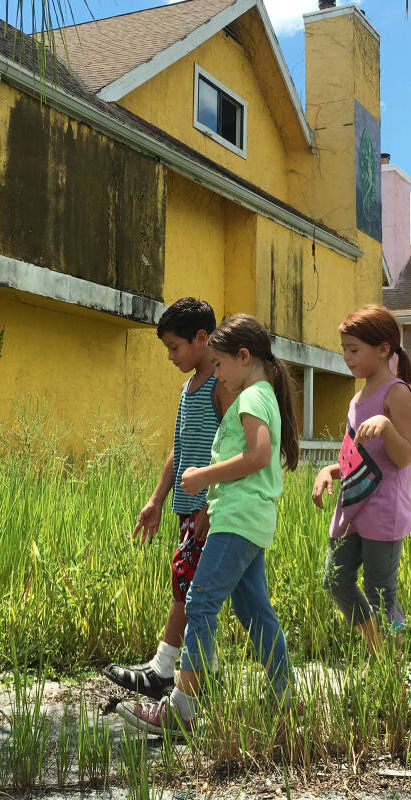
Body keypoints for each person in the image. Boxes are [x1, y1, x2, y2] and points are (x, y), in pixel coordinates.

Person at [118, 313, 300, 737]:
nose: (216, 373)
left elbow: (256, 456)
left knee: (200, 603)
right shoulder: (259, 395)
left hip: (237, 517)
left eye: (219, 365)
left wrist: (202, 477)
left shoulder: (253, 397)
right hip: (247, 518)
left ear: (243, 356)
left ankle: (181, 709)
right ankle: (286, 697)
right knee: (254, 608)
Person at [102, 298, 231, 700]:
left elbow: (231, 449)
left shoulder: (220, 387)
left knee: (188, 587)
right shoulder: (188, 387)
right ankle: (203, 672)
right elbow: (179, 449)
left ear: (201, 338)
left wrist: (213, 505)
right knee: (194, 587)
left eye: (175, 348)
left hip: (209, 510)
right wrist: (157, 499)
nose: (171, 357)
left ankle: (163, 669)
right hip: (186, 508)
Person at [311, 304, 411, 653]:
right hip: (353, 506)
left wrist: (387, 426)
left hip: (384, 511)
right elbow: (353, 456)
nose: (346, 357)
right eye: (344, 349)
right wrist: (328, 471)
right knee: (334, 579)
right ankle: (378, 648)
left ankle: (394, 668)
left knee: (380, 590)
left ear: (383, 349)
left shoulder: (397, 393)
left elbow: (404, 456)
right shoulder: (357, 398)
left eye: (353, 349)